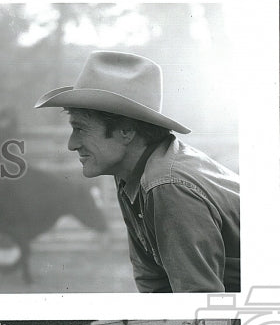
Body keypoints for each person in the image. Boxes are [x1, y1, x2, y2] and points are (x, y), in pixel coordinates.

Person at [35, 50, 239, 293]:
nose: (72, 144)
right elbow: (153, 281)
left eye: (80, 129)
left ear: (126, 131)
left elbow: (198, 298)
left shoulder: (167, 185)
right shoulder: (132, 174)